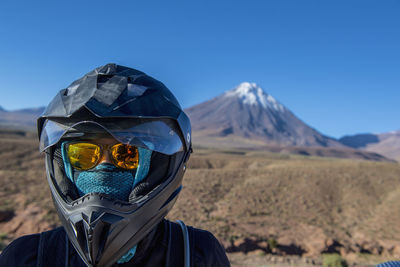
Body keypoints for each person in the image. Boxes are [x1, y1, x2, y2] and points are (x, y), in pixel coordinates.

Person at [0, 63, 230, 267]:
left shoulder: (196, 255)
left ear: (158, 166)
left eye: (126, 153)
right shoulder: (25, 257)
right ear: (63, 165)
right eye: (84, 153)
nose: (104, 166)